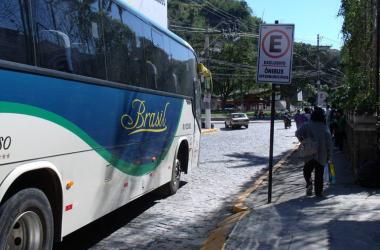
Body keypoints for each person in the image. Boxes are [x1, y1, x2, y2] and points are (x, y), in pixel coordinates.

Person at [296, 107, 333, 197]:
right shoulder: (324, 127)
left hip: (309, 153)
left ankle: (309, 183)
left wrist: (303, 141)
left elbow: (297, 133)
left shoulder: (307, 125)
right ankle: (318, 192)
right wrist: (329, 155)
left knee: (307, 170)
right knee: (319, 174)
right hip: (321, 154)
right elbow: (329, 142)